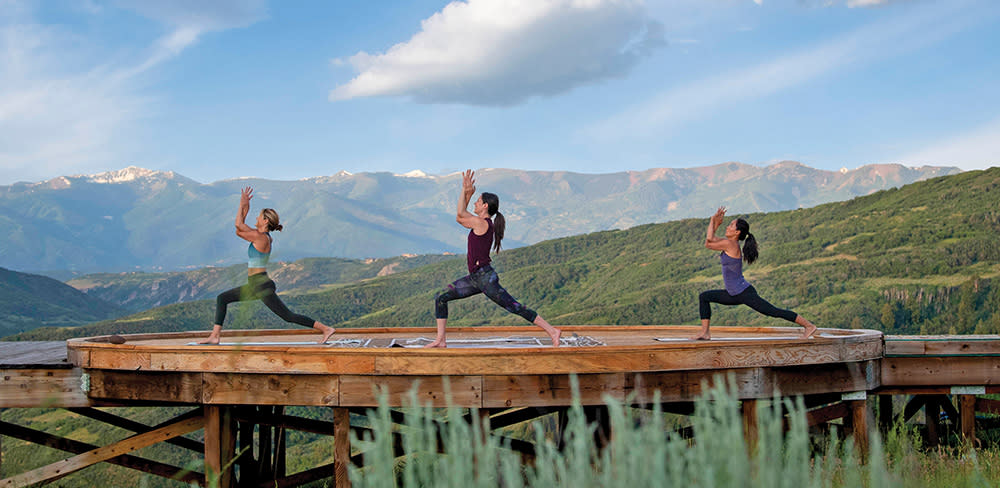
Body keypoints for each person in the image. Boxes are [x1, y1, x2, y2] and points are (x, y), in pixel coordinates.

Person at [425, 170, 561, 348]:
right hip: (476, 278)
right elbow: (462, 215)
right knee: (440, 297)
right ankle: (441, 340)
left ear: (485, 207)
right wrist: (468, 193)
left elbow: (459, 215)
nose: (475, 203)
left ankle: (552, 331)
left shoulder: (482, 223)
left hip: (485, 278)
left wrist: (464, 191)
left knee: (514, 306)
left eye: (478, 201)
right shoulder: (481, 223)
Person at [199, 187, 336, 345]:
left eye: (258, 216)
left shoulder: (261, 238)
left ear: (265, 221)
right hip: (256, 283)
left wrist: (241, 204)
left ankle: (325, 329)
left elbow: (238, 224)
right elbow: (239, 229)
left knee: (288, 316)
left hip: (260, 284)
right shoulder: (261, 236)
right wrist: (245, 205)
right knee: (222, 298)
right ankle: (215, 336)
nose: (256, 218)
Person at [693, 206, 817, 340]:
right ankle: (705, 333)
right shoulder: (729, 243)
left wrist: (713, 220)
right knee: (704, 297)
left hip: (743, 292)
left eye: (731, 225)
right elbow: (708, 243)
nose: (728, 227)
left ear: (737, 232)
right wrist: (716, 224)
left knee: (773, 311)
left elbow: (709, 240)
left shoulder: (730, 244)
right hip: (733, 293)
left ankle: (809, 326)